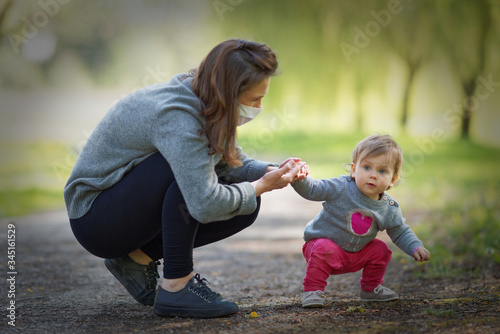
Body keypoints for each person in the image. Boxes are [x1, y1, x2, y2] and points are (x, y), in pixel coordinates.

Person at [64, 39, 306, 318]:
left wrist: (269, 172)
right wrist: (261, 185)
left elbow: (229, 161)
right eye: (255, 100)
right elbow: (203, 203)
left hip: (119, 209)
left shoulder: (203, 97)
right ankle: (176, 286)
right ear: (229, 92)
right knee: (193, 174)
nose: (259, 107)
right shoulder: (179, 118)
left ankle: (134, 260)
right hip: (95, 219)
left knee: (244, 204)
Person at [291, 135, 430, 308]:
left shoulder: (389, 208)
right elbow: (313, 190)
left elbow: (399, 230)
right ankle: (312, 291)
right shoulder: (341, 187)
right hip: (322, 249)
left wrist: (415, 246)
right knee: (323, 248)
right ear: (354, 170)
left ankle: (370, 289)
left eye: (382, 171)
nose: (373, 176)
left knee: (380, 250)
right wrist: (300, 178)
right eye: (367, 167)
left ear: (392, 179)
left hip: (356, 254)